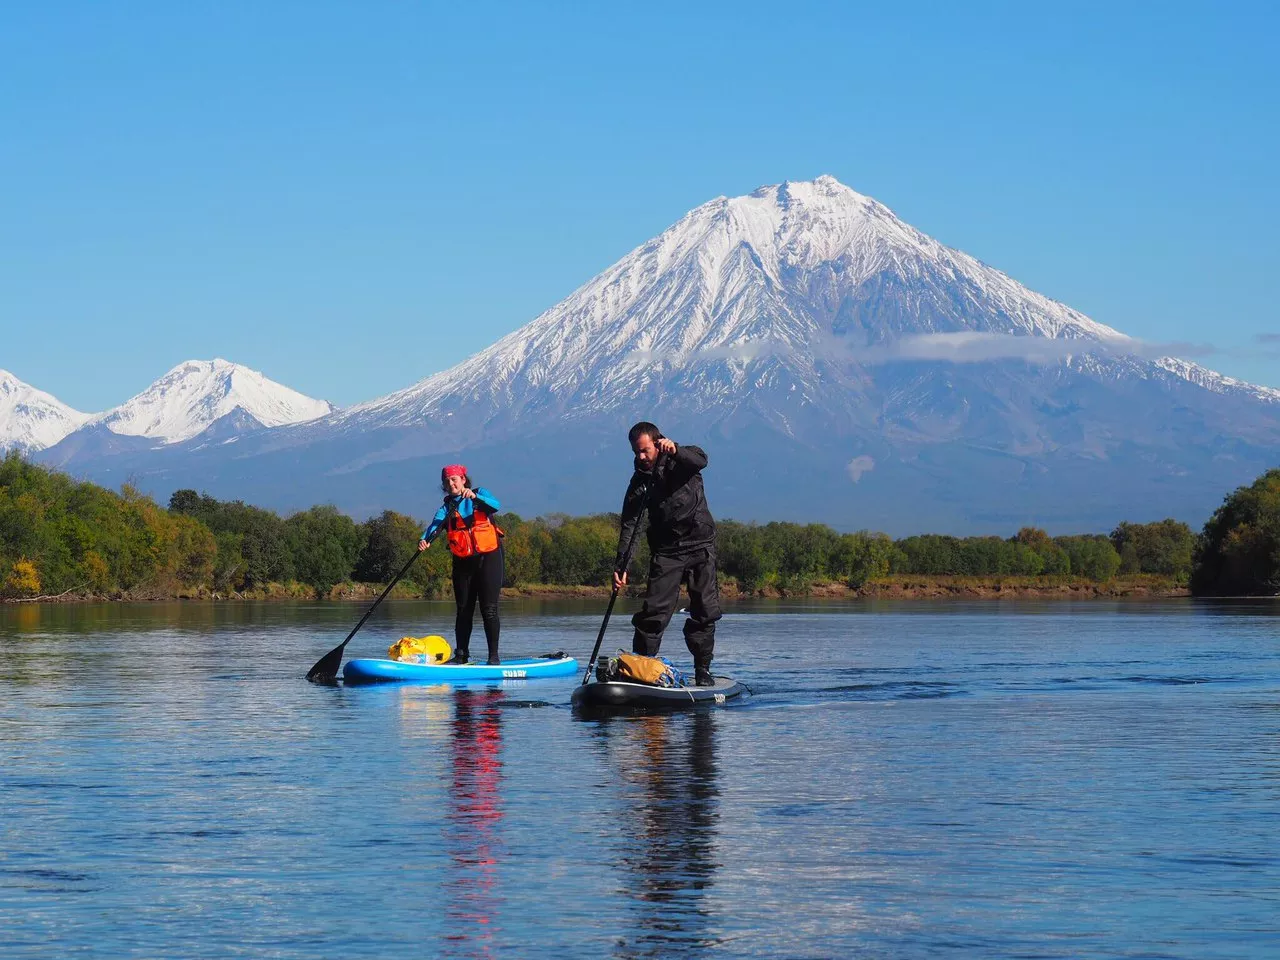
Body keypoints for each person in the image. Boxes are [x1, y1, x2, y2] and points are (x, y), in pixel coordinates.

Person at [612, 422, 721, 686]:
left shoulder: (684, 460)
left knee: (704, 611)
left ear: (659, 443)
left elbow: (701, 460)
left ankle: (703, 671)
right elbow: (630, 525)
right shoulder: (640, 482)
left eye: (645, 451)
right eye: (636, 452)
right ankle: (641, 671)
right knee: (653, 614)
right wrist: (622, 564)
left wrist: (676, 450)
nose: (640, 457)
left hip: (700, 544)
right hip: (667, 551)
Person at [419, 465, 505, 665]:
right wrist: (425, 540)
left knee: (489, 609)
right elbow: (434, 527)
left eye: (454, 479)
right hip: (463, 562)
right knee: (463, 609)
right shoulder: (446, 508)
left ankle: (493, 658)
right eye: (447, 482)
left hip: (489, 558)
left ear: (463, 479)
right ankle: (461, 655)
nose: (451, 484)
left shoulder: (479, 494)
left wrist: (475, 499)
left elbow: (495, 505)